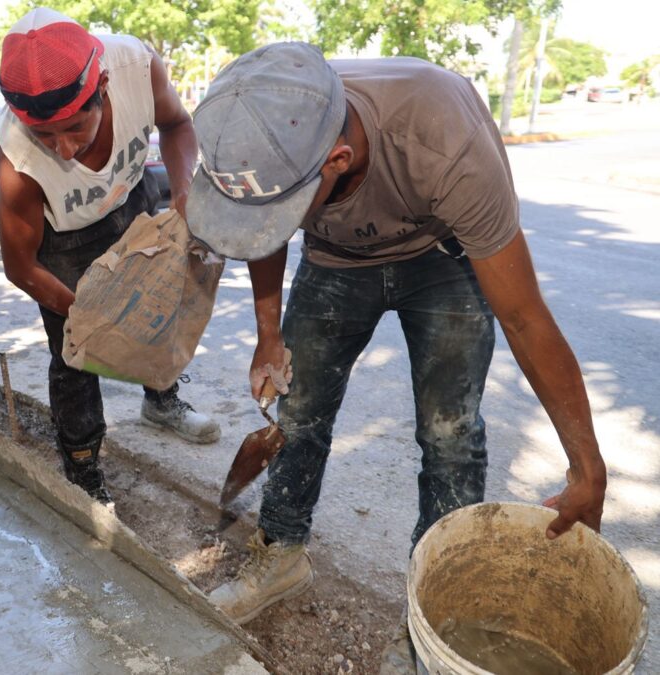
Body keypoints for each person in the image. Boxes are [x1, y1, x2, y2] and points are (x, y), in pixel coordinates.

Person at [184, 43, 607, 624]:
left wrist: (587, 465)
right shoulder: (268, 126)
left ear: (337, 158)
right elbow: (264, 230)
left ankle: (433, 610)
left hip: (440, 257)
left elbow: (526, 319)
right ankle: (280, 553)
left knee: (450, 435)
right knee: (297, 412)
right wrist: (267, 337)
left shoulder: (443, 139)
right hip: (334, 261)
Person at [0, 7, 220, 504]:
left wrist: (183, 189)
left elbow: (179, 123)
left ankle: (161, 400)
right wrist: (89, 318)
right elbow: (20, 266)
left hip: (134, 198)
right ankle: (82, 468)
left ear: (103, 85)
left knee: (156, 309)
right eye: (46, 136)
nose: (65, 150)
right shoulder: (18, 158)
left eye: (76, 126)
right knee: (76, 355)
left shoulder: (136, 66)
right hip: (65, 239)